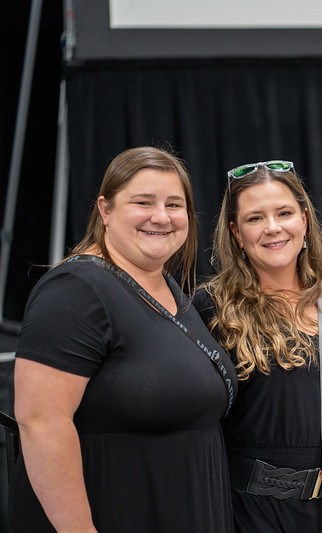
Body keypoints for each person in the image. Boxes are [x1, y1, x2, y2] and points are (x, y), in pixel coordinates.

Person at [10, 146, 238, 532]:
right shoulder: (78, 288)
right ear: (105, 210)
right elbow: (40, 422)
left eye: (174, 204)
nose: (161, 217)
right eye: (143, 202)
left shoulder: (165, 286)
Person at [192, 160, 322, 533]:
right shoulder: (209, 308)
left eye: (283, 213)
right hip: (245, 513)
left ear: (304, 220)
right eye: (255, 218)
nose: (272, 228)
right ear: (236, 232)